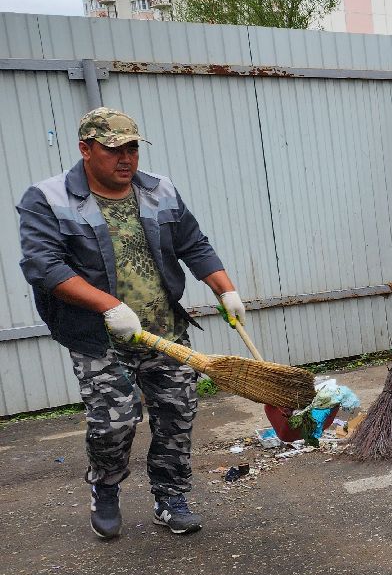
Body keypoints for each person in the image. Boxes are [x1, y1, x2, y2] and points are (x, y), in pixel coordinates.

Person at [17, 108, 245, 541]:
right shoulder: (47, 198)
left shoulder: (159, 191)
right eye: (114, 149)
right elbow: (43, 266)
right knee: (114, 421)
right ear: (86, 149)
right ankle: (105, 486)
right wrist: (108, 306)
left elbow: (194, 244)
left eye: (133, 148)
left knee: (177, 414)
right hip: (99, 338)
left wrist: (225, 290)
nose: (127, 158)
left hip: (164, 333)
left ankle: (171, 497)